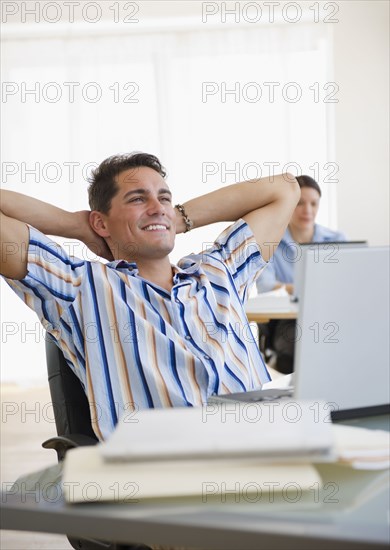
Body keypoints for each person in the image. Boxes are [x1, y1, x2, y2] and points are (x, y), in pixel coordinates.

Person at [0, 152, 300, 439]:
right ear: (101, 222)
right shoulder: (78, 286)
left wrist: (173, 218)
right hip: (165, 472)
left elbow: (284, 188)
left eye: (164, 197)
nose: (157, 206)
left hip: (266, 447)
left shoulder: (219, 272)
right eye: (138, 199)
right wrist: (77, 226)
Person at [256, 174, 346, 374]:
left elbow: (347, 284)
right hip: (290, 324)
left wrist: (292, 288)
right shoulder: (270, 243)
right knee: (309, 341)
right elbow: (266, 286)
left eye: (314, 204)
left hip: (334, 316)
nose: (308, 210)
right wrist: (312, 287)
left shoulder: (337, 240)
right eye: (300, 203)